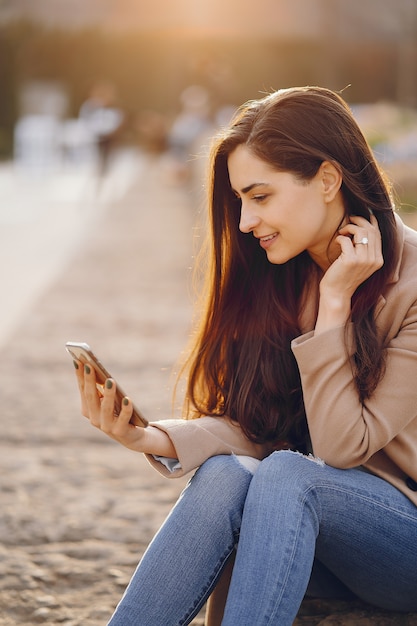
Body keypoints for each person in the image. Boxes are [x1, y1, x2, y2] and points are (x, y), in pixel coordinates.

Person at [72, 86, 417, 625]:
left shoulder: (412, 286)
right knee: (227, 475)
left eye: (260, 197)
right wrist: (147, 437)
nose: (244, 222)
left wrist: (334, 308)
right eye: (240, 201)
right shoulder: (284, 274)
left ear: (328, 181)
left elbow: (342, 448)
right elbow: (265, 425)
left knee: (285, 474)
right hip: (313, 528)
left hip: (402, 544)